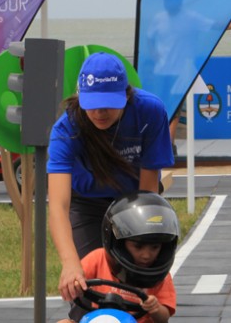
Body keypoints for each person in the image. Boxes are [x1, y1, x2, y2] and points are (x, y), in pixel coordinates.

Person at [48, 52, 175, 303]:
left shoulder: (149, 112)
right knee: (87, 285)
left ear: (126, 95)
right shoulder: (66, 129)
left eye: (108, 103)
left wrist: (144, 235)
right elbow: (59, 206)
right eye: (92, 103)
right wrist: (70, 263)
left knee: (138, 281)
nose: (99, 111)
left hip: (135, 201)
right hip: (87, 202)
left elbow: (148, 190)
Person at [146, 0, 231, 155]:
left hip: (180, 72)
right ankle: (160, 145)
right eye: (165, 0)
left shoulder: (190, 17)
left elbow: (215, 25)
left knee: (174, 111)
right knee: (160, 110)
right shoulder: (159, 18)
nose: (167, 3)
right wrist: (153, 54)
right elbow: (150, 37)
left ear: (178, 0)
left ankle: (168, 147)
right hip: (161, 72)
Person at [58, 192, 179, 323]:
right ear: (120, 244)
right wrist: (75, 286)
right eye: (138, 247)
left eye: (154, 247)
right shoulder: (98, 258)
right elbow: (76, 281)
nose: (146, 255)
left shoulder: (161, 277)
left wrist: (155, 308)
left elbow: (164, 318)